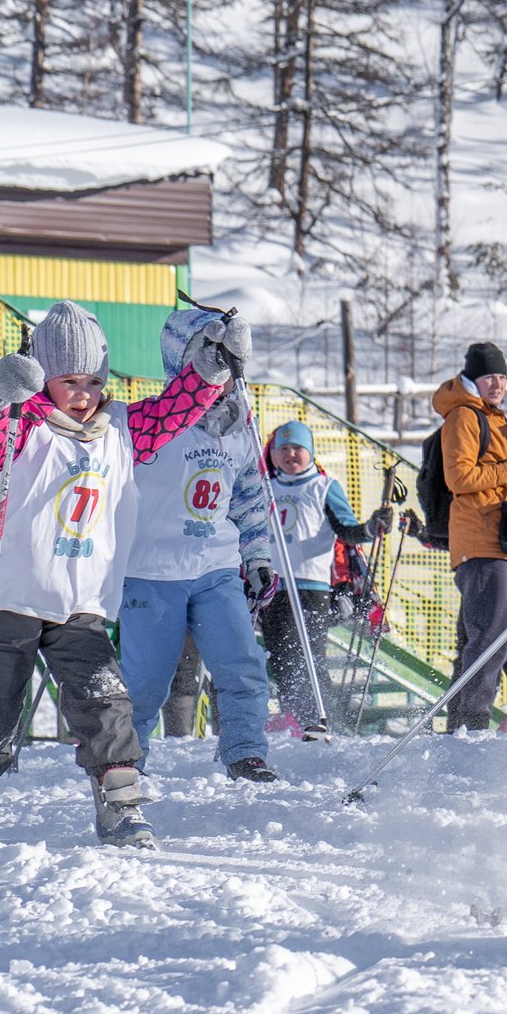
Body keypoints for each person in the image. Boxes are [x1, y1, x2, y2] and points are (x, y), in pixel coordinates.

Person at [0, 300, 241, 847]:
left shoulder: (120, 428)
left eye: (94, 380)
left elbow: (174, 411)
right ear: (44, 379)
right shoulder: (19, 427)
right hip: (7, 596)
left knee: (105, 702)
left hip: (81, 601)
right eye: (69, 380)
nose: (84, 393)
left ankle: (120, 802)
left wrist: (211, 371)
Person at [119, 308, 285, 781]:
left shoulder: (240, 428)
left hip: (216, 567)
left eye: (229, 365)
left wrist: (257, 557)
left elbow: (251, 498)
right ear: (183, 365)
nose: (221, 377)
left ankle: (245, 750)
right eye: (209, 362)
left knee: (242, 663)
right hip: (152, 570)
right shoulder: (149, 423)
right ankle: (125, 763)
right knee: (147, 681)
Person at [434, 342, 507, 733]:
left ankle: (462, 723)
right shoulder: (464, 416)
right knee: (490, 636)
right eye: (488, 376)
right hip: (481, 540)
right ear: (471, 379)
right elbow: (459, 478)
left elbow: (499, 480)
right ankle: (473, 722)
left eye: (502, 377)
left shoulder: (494, 418)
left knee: (503, 639)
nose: (497, 383)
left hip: (506, 540)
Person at [263, 419, 390, 735]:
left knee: (308, 657)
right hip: (273, 588)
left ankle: (322, 719)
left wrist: (371, 528)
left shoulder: (323, 486)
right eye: (284, 449)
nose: (291, 455)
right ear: (274, 454)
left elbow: (347, 529)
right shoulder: (265, 487)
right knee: (281, 660)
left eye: (298, 449)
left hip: (310, 588)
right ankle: (296, 719)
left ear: (311, 452)